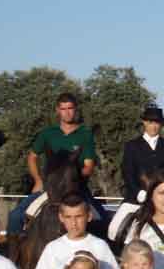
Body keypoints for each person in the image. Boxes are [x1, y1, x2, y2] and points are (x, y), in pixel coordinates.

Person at [8, 93, 103, 235]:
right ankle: (14, 254)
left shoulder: (85, 134)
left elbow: (88, 166)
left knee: (103, 220)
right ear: (57, 111)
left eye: (70, 108)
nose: (67, 112)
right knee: (15, 217)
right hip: (49, 190)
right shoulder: (48, 133)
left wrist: (71, 176)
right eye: (63, 109)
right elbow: (32, 157)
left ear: (76, 109)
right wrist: (38, 180)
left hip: (77, 189)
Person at [109, 105, 164, 237]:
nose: (154, 126)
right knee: (113, 230)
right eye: (150, 122)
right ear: (144, 122)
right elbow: (128, 173)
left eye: (157, 122)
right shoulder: (132, 146)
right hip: (137, 198)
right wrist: (139, 192)